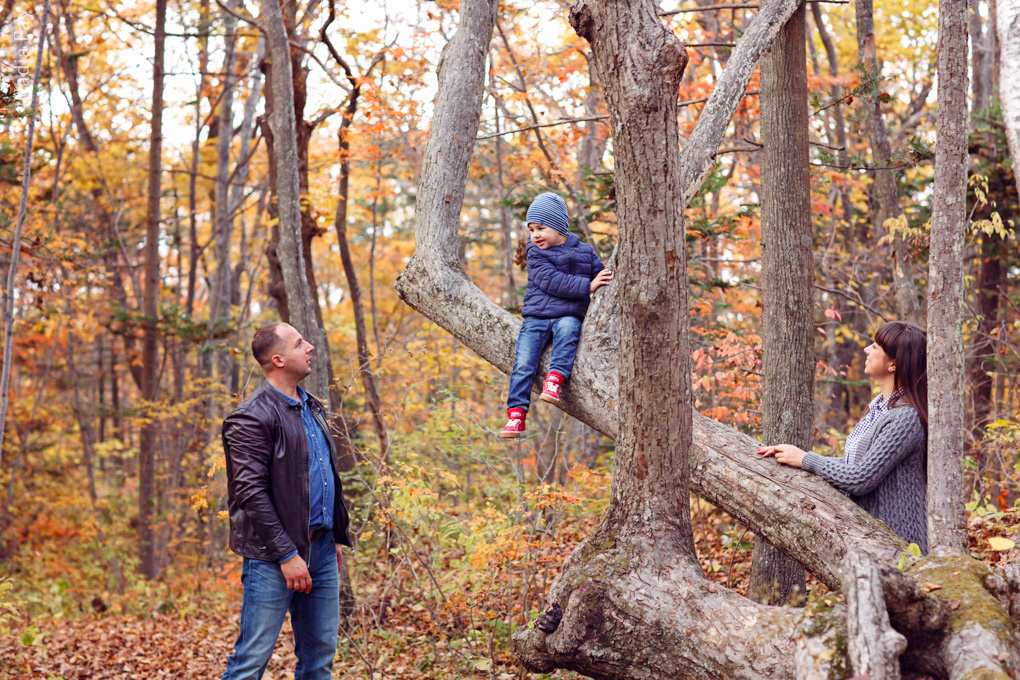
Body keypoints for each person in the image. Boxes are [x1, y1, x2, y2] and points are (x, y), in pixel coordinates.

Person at [220, 322, 353, 680]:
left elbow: (321, 476)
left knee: (319, 662)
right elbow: (250, 493)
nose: (309, 347)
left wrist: (331, 534)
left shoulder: (311, 406)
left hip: (322, 552)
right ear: (278, 359)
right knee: (251, 661)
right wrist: (287, 554)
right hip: (272, 558)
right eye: (299, 343)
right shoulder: (251, 416)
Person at [757, 321, 929, 554]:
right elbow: (857, 466)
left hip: (899, 546)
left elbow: (860, 478)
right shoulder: (879, 409)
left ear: (893, 364)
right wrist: (795, 457)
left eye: (876, 347)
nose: (867, 350)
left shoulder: (905, 418)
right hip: (871, 538)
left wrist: (807, 460)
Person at [499, 193, 612, 438]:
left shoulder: (584, 251)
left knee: (568, 332)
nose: (535, 235)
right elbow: (552, 281)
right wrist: (587, 286)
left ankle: (554, 379)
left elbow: (602, 273)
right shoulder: (536, 253)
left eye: (541, 228)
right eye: (531, 230)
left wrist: (603, 277)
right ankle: (516, 415)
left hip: (568, 315)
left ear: (559, 226)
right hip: (537, 317)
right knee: (524, 362)